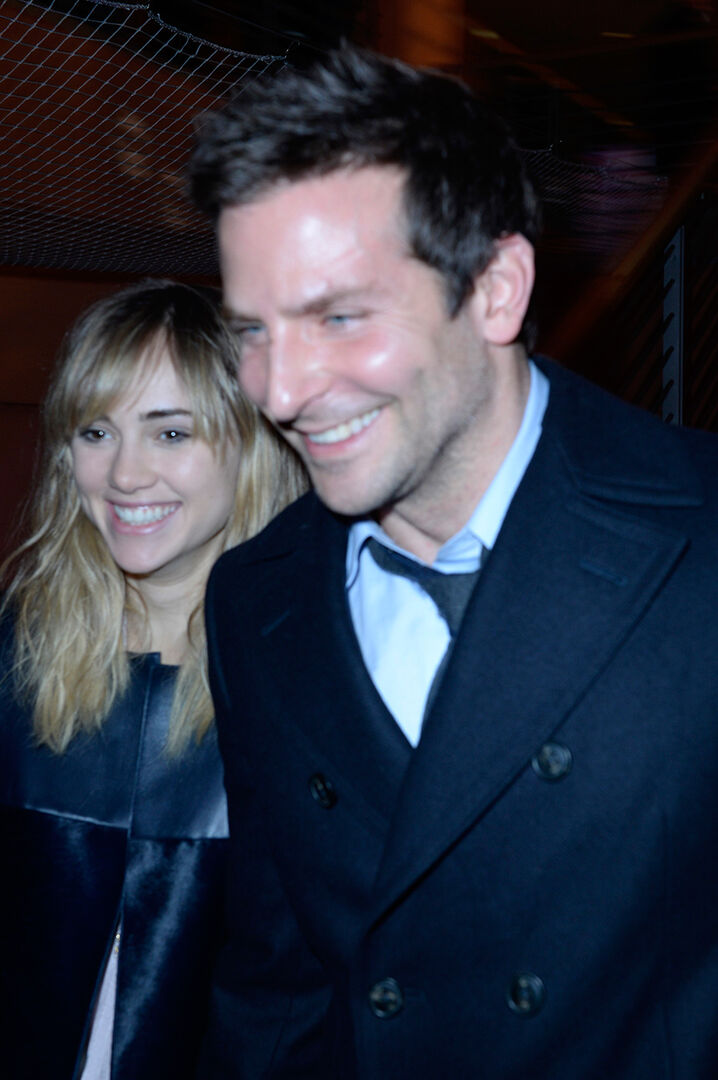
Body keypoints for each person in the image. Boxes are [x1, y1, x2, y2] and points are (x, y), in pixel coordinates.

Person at [190, 47, 718, 1079]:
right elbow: (274, 988)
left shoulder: (700, 534)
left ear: (495, 290)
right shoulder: (254, 598)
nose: (280, 392)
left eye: (340, 317)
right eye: (251, 331)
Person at [0, 279, 305, 1080]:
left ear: (251, 442)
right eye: (96, 431)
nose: (126, 474)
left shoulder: (317, 687)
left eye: (170, 432)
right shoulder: (13, 656)